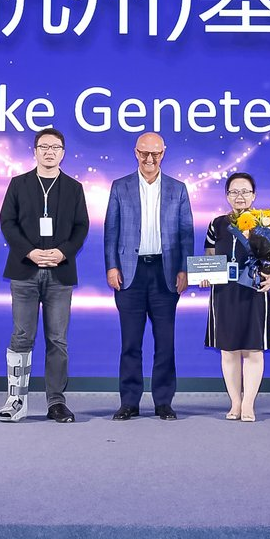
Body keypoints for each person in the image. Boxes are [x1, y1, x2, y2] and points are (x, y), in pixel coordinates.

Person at [0, 126, 89, 423]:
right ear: (35, 151)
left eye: (55, 148)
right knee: (22, 336)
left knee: (57, 340)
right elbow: (7, 222)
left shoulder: (74, 188)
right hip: (24, 271)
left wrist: (63, 252)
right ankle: (16, 400)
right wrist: (29, 251)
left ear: (63, 153)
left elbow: (81, 227)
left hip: (60, 274)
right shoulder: (19, 184)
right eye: (44, 147)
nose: (50, 152)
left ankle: (56, 403)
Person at [104, 131, 194, 420]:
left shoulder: (178, 189)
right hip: (129, 274)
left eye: (155, 153)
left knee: (165, 342)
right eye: (144, 152)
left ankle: (163, 402)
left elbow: (186, 235)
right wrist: (111, 266)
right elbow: (111, 231)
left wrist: (184, 269)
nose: (150, 158)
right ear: (136, 153)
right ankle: (129, 402)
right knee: (130, 343)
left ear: (163, 153)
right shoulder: (120, 187)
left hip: (165, 274)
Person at [203, 172, 270, 422]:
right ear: (227, 196)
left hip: (254, 291)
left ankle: (248, 404)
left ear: (254, 195)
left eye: (245, 191)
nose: (240, 196)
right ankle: (235, 403)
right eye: (234, 192)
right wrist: (205, 274)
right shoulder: (217, 224)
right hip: (224, 293)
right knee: (229, 351)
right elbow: (209, 254)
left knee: (253, 351)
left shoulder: (265, 223)